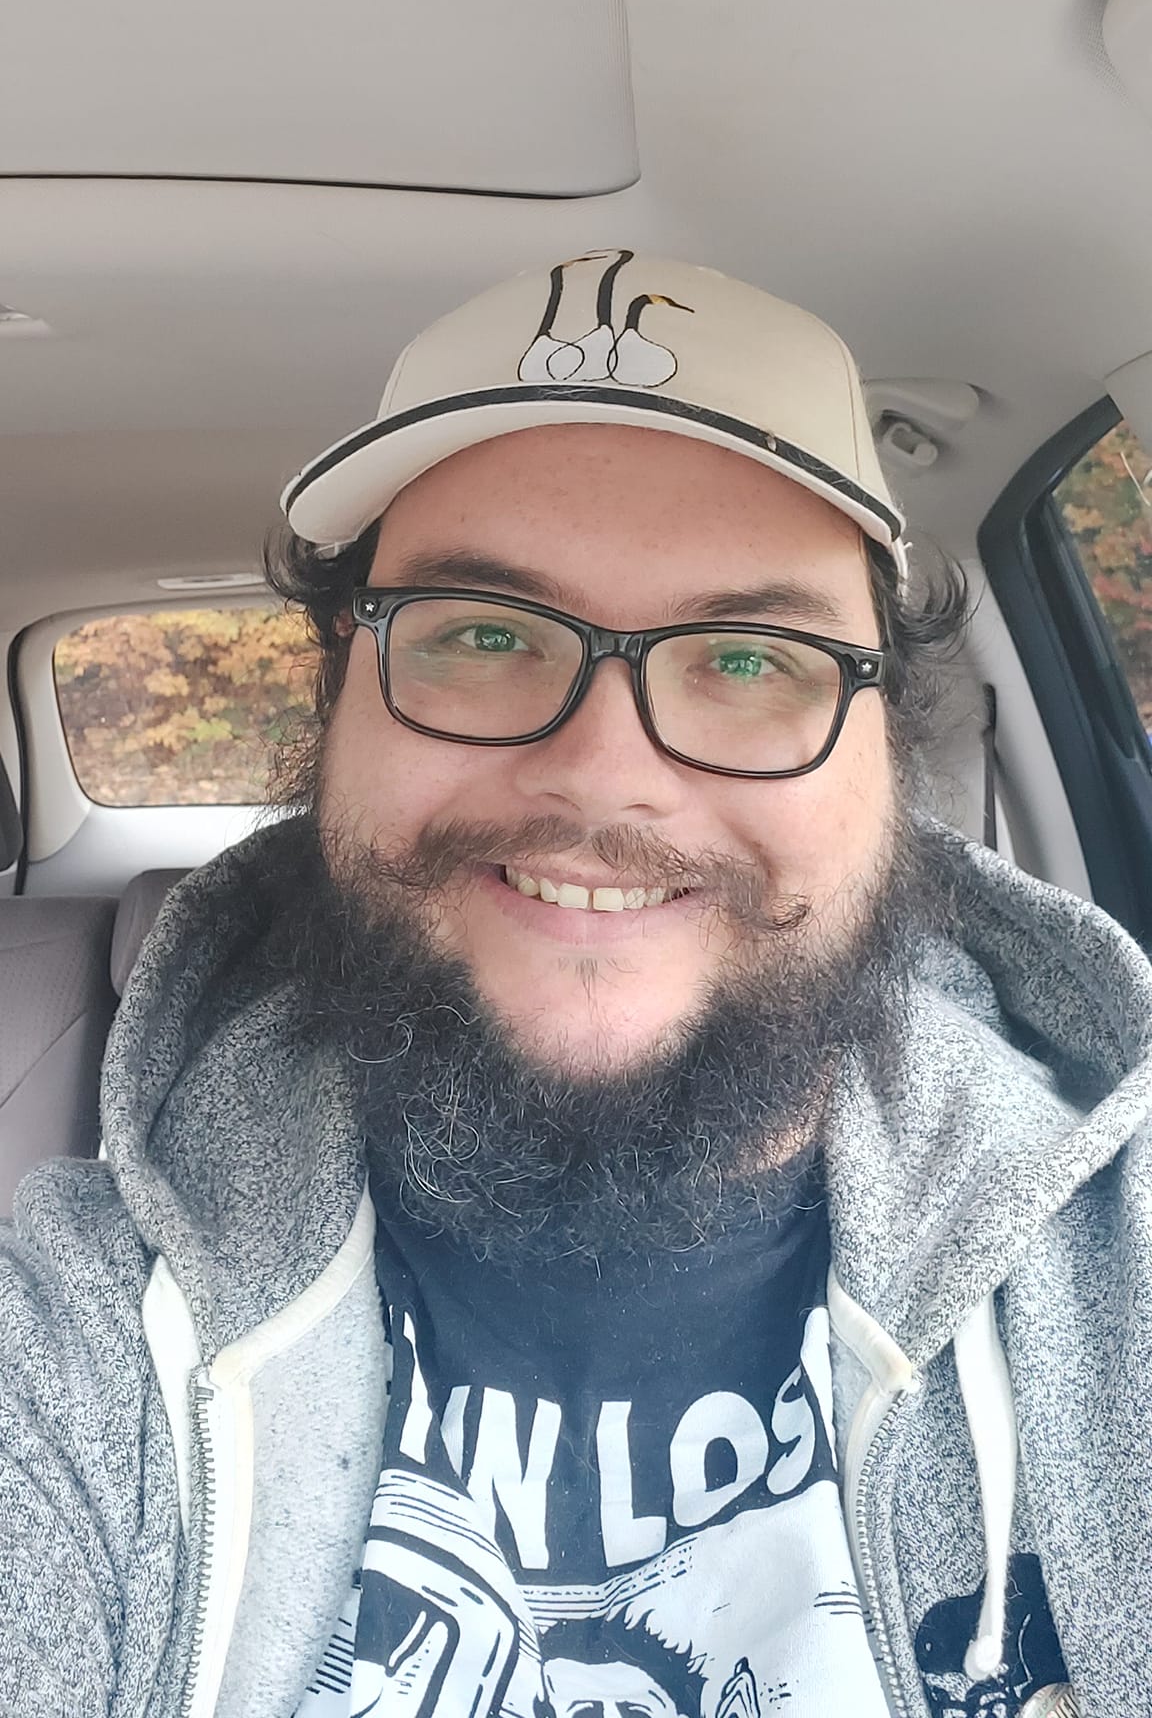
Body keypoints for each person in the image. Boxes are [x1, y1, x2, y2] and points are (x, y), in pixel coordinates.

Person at [1, 250, 1145, 1718]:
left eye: (749, 656)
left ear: (893, 753)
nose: (606, 774)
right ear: (337, 701)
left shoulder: (1119, 1262)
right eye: (484, 635)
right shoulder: (77, 1334)